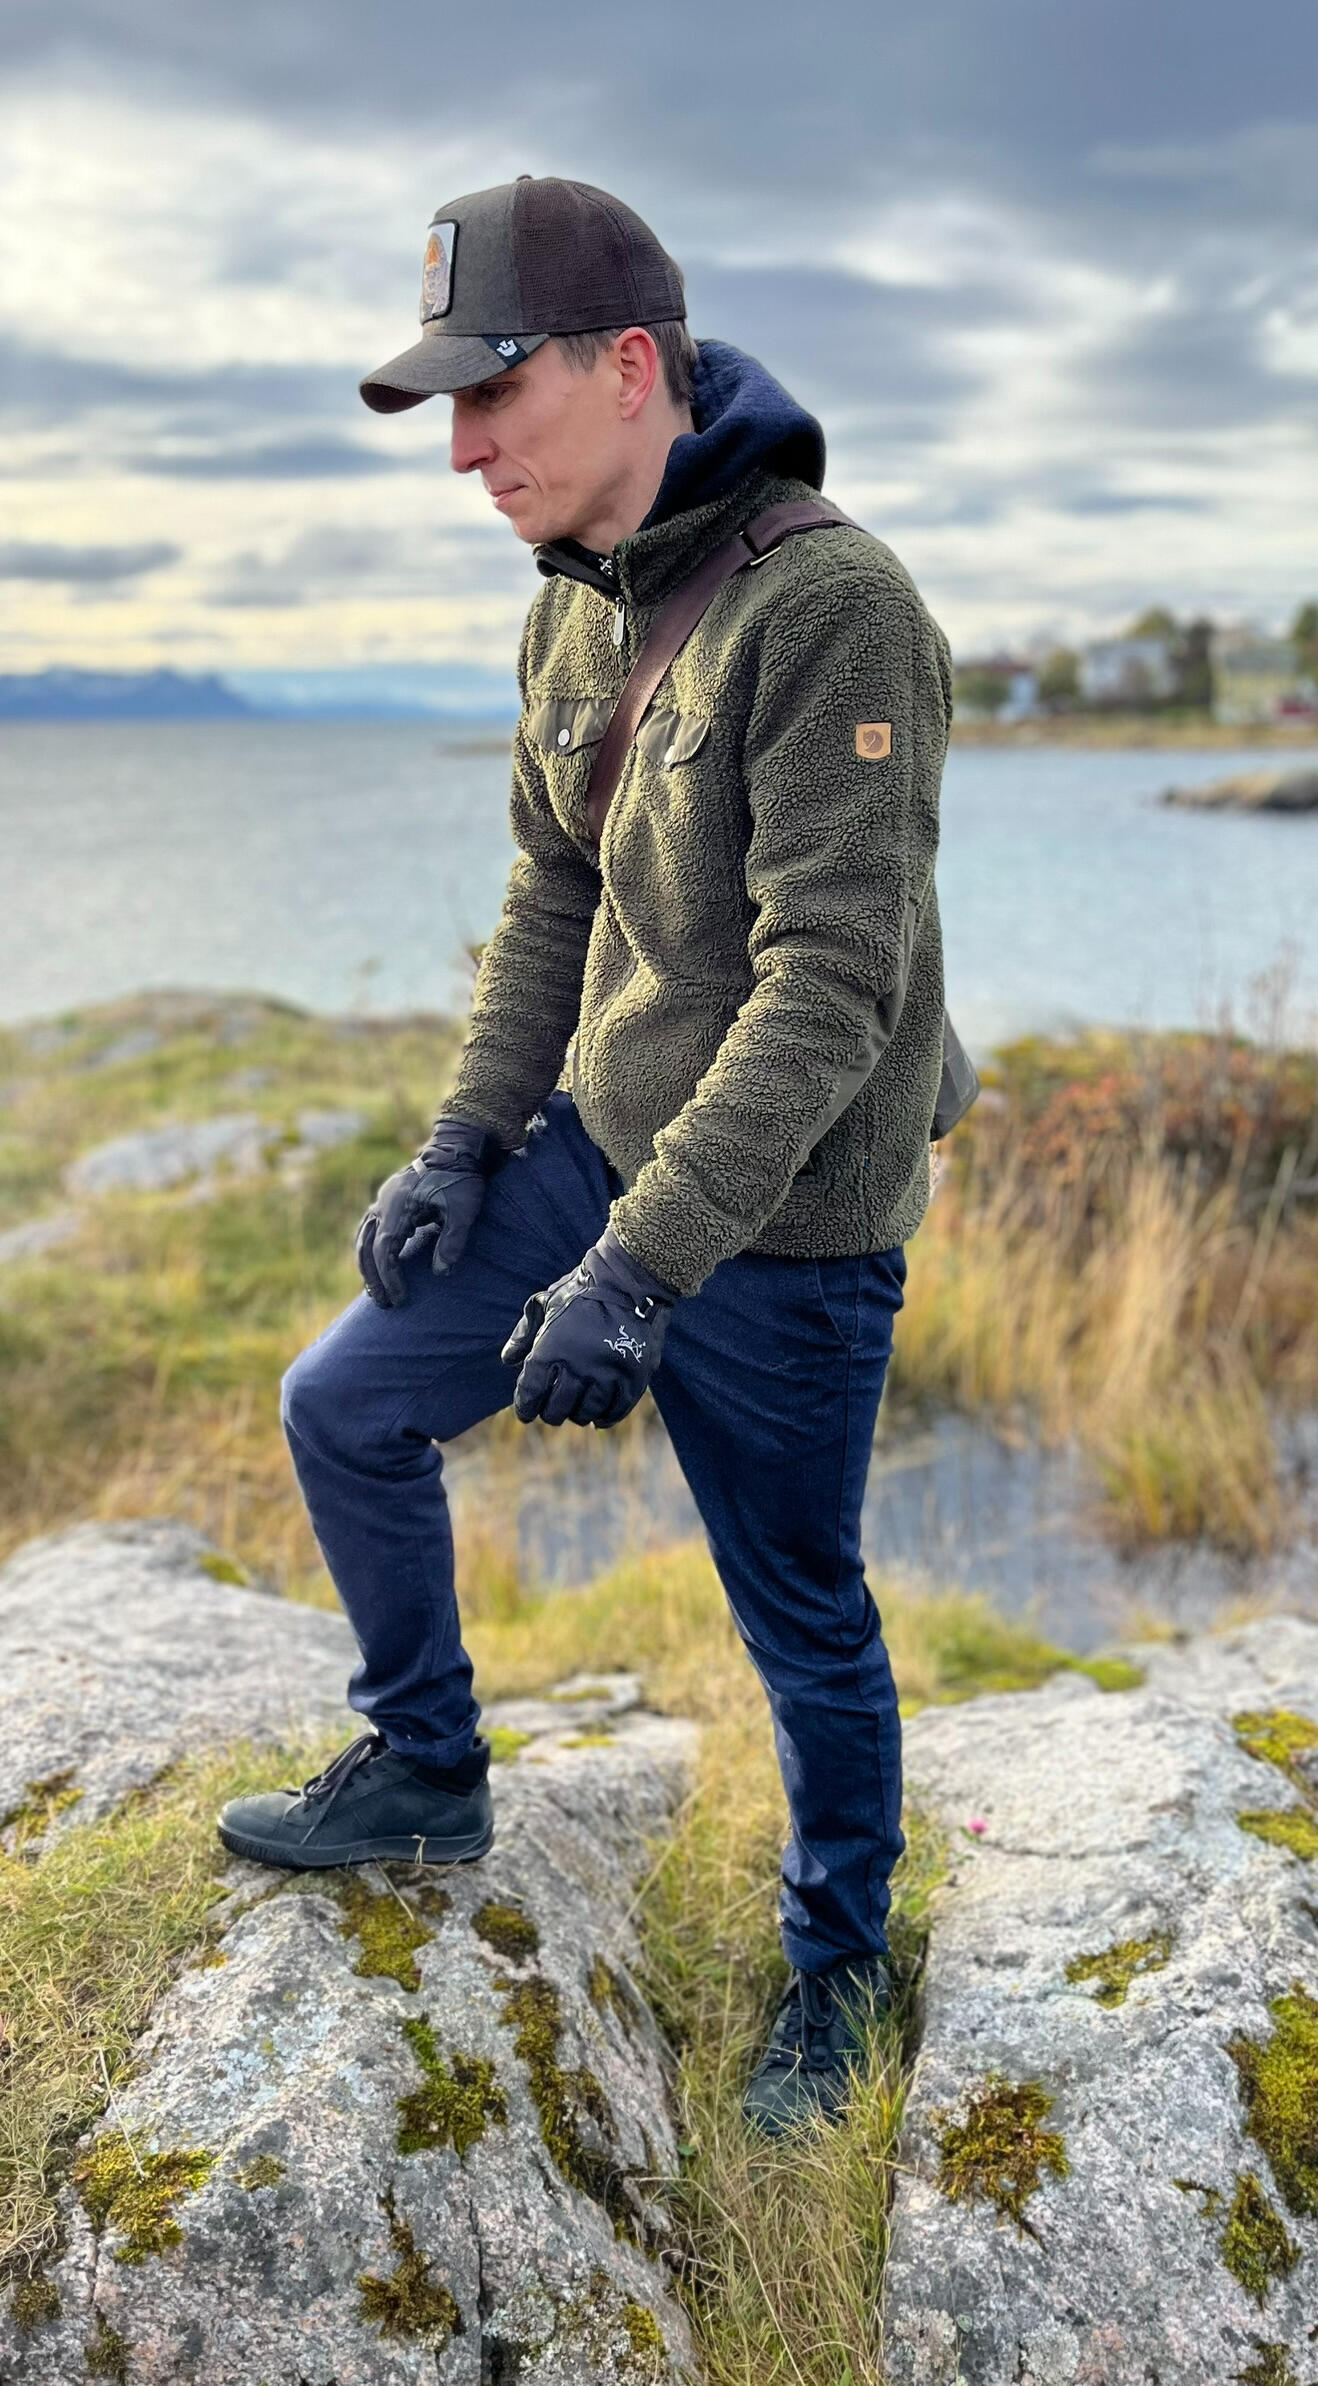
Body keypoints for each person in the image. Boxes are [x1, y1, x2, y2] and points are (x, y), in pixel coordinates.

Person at [217, 174, 953, 2138]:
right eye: (443, 407)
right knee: (342, 1403)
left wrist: (637, 1269)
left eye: (491, 391)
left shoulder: (835, 609)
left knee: (796, 1612)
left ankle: (837, 1969)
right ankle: (422, 1764)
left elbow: (834, 986)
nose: (461, 447)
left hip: (783, 1218)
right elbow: (550, 897)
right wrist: (464, 1141)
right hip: (599, 1145)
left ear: (630, 367)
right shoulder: (567, 607)